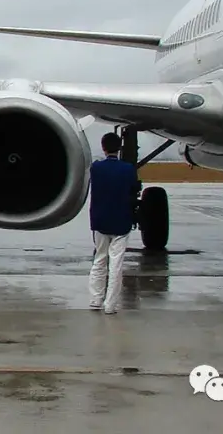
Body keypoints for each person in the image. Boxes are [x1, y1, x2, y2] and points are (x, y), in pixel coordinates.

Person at [87, 132, 142, 314]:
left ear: (103, 147)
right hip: (121, 220)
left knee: (99, 260)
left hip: (101, 220)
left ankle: (95, 299)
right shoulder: (128, 169)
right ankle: (110, 305)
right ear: (119, 148)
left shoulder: (96, 168)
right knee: (116, 264)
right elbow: (134, 189)